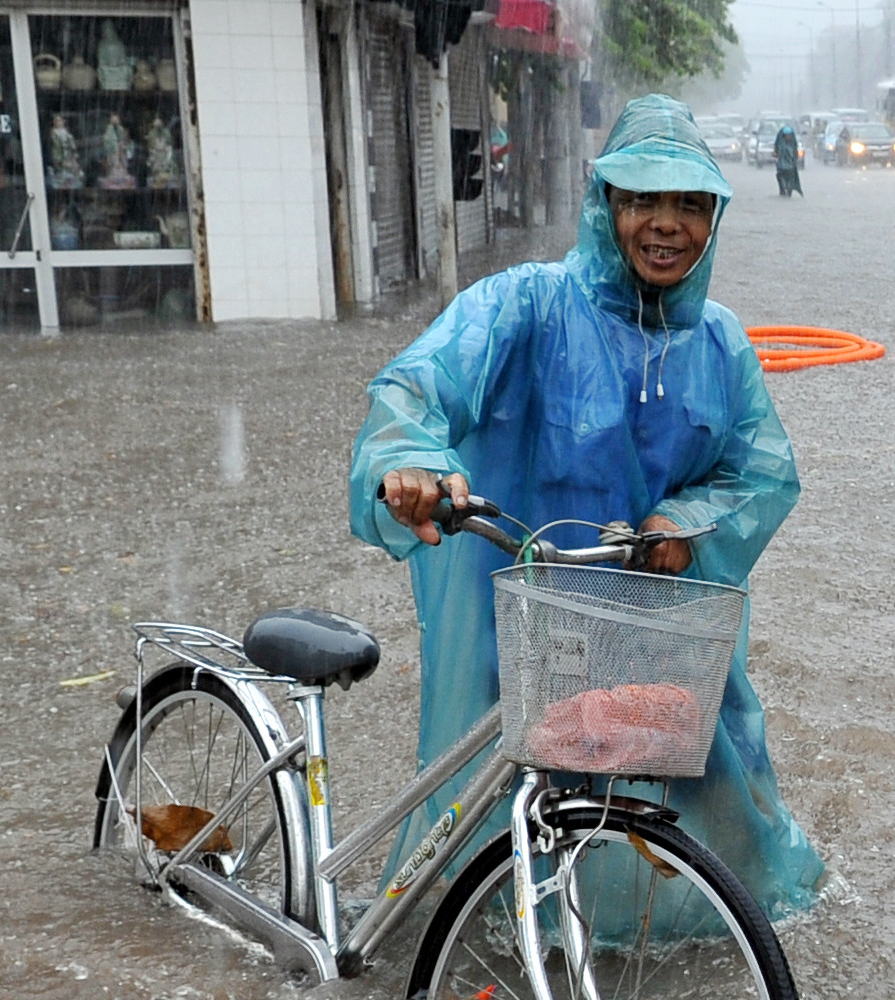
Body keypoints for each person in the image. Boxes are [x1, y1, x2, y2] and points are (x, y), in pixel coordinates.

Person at [347, 94, 825, 916]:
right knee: (513, 818)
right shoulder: (526, 307)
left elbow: (764, 474)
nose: (665, 225)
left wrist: (686, 523)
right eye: (642, 200)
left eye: (689, 205)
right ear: (606, 206)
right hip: (536, 627)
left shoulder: (723, 345)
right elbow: (421, 382)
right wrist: (413, 462)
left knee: (727, 815)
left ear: (714, 218)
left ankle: (715, 938)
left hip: (666, 636)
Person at [773, 123, 802, 197]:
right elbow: (776, 152)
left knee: (790, 179)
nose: (788, 137)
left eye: (790, 136)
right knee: (779, 176)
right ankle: (782, 190)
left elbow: (795, 154)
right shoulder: (780, 143)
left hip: (790, 166)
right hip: (781, 165)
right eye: (787, 136)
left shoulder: (793, 144)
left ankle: (789, 190)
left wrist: (794, 160)